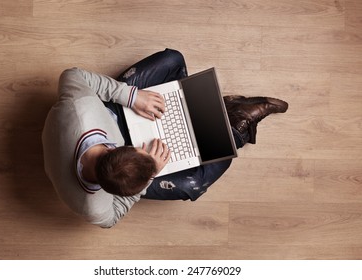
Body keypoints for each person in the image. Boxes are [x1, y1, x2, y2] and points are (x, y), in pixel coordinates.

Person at [42, 49, 288, 228]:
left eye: (139, 150)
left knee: (173, 59)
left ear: (111, 148)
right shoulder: (92, 208)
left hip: (109, 116)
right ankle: (234, 121)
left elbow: (72, 75)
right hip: (124, 173)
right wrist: (149, 175)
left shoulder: (78, 108)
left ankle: (222, 114)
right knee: (212, 168)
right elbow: (114, 217)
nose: (146, 149)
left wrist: (129, 97)